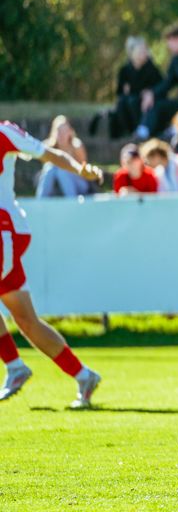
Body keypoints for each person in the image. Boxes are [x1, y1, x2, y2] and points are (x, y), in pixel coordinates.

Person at [0, 121, 104, 407]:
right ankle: (83, 375)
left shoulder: (4, 132)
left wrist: (81, 169)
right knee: (26, 321)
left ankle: (14, 365)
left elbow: (49, 154)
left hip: (5, 231)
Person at [107, 36, 163, 139]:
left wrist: (149, 92)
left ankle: (141, 129)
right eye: (140, 51)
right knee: (123, 102)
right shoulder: (125, 70)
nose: (143, 53)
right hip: (129, 100)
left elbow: (160, 86)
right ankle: (128, 130)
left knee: (134, 102)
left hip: (145, 101)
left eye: (144, 51)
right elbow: (120, 91)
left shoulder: (152, 69)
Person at [36, 116, 92, 198]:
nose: (61, 135)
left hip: (80, 184)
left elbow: (84, 170)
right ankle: (40, 202)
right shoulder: (48, 147)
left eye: (64, 131)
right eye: (59, 132)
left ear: (70, 132)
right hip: (57, 185)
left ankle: (72, 202)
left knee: (62, 170)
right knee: (49, 167)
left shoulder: (76, 146)